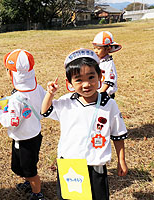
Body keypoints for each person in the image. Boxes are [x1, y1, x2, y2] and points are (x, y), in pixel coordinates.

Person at [41, 49, 128, 200]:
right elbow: (45, 110)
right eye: (79, 80)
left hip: (96, 165)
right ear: (69, 83)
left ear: (100, 76)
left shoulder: (109, 104)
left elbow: (118, 135)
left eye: (91, 77)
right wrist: (50, 93)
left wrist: (121, 161)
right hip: (70, 164)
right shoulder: (67, 101)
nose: (86, 84)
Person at [0, 49, 46, 200]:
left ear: (11, 74)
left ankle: (37, 193)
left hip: (24, 140)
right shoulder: (37, 88)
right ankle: (29, 182)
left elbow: (12, 122)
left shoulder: (17, 98)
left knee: (30, 169)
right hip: (34, 134)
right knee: (21, 165)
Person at [92, 31, 122, 99]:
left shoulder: (109, 63)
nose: (95, 51)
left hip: (105, 95)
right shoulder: (97, 61)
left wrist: (101, 93)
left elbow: (109, 81)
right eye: (94, 48)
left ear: (108, 49)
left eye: (99, 48)